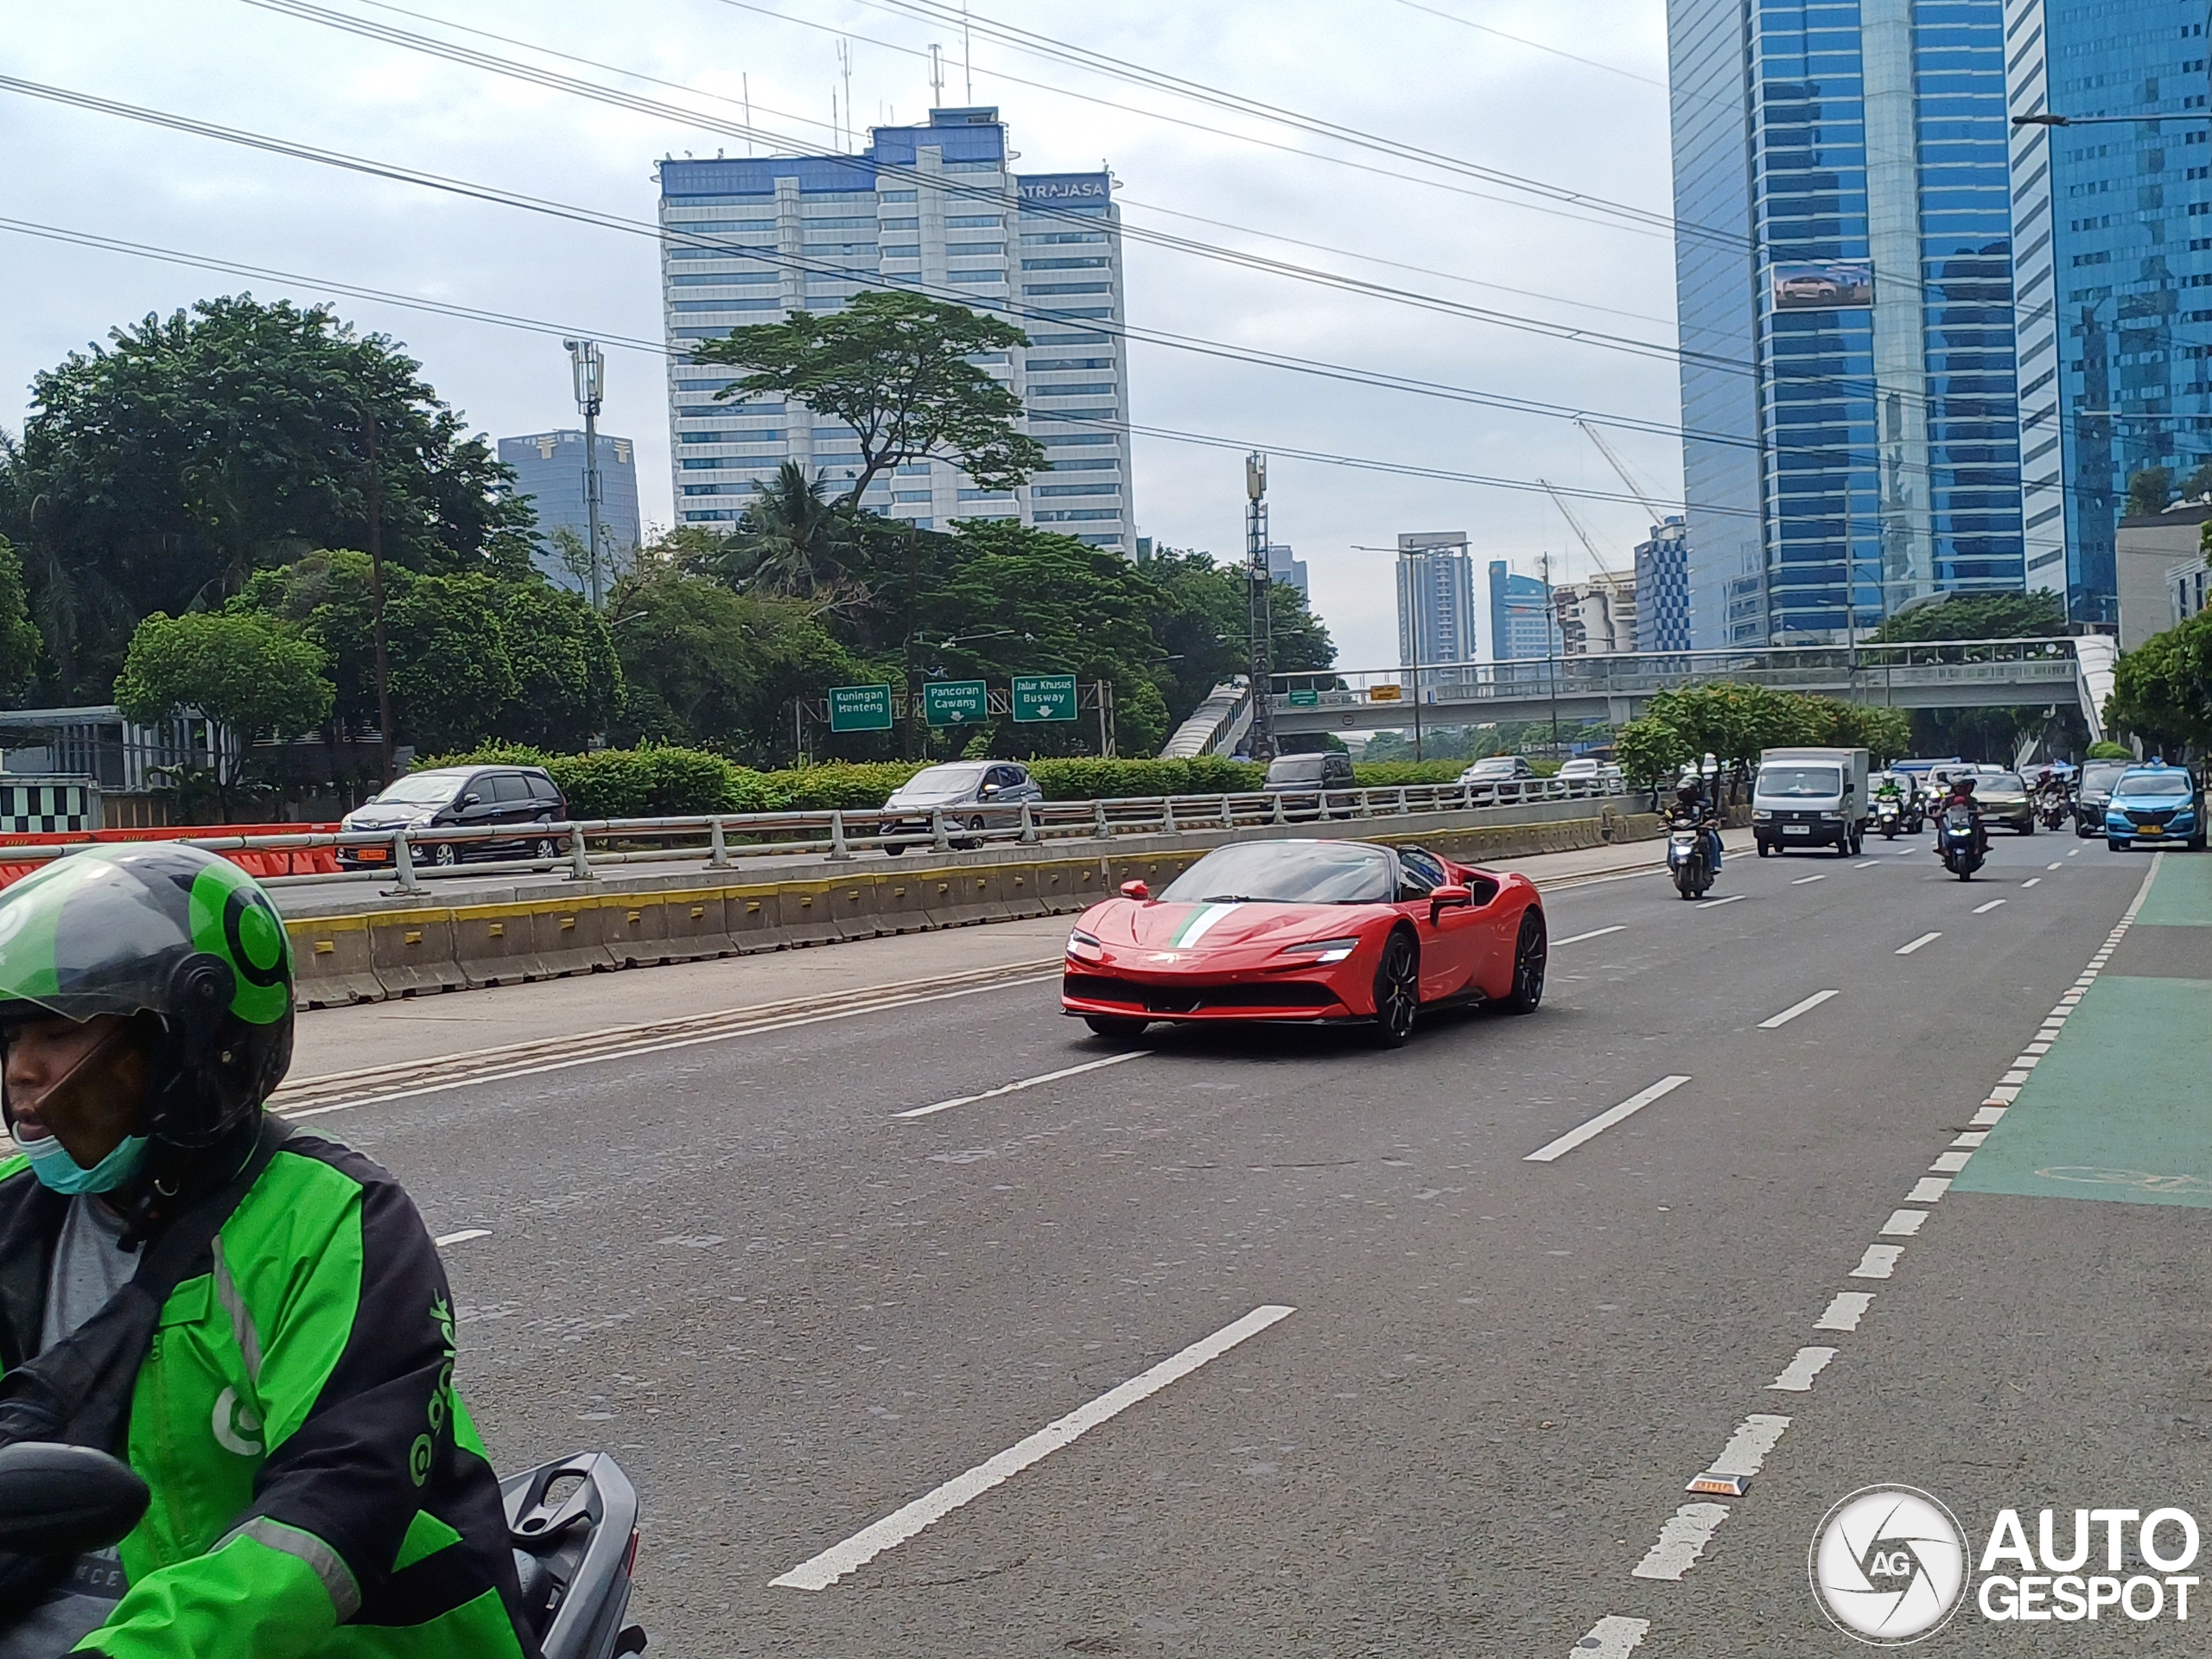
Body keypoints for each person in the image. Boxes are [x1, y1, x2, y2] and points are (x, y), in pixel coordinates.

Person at [0, 846, 531, 1659]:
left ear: (191, 1042)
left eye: (60, 1032)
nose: (22, 1071)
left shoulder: (330, 1219)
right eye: (10, 1037)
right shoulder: (12, 1212)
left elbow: (332, 1510)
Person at [1670, 777, 1725, 878]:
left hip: (1699, 831)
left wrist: (1710, 822)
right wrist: (1664, 823)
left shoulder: (1703, 805)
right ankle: (1671, 865)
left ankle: (1715, 864)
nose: (1685, 795)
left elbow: (1711, 815)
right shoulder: (1676, 807)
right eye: (1682, 792)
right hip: (1681, 833)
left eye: (1687, 792)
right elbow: (1667, 817)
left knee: (1712, 837)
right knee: (1670, 840)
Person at [1932, 772, 1988, 858]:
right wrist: (1938, 813)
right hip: (1953, 822)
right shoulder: (1948, 799)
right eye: (1958, 787)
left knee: (1979, 826)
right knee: (1942, 827)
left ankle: (1978, 846)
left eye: (1962, 787)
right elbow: (1941, 808)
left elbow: (1978, 807)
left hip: (1967, 822)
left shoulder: (1971, 799)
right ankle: (1943, 847)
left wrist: (1979, 811)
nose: (1960, 789)